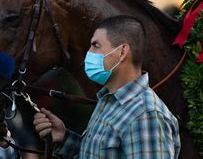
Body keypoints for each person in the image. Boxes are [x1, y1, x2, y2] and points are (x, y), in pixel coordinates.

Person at [33, 15, 180, 158]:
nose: (89, 53)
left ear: (122, 52)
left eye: (96, 46)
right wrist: (64, 138)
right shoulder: (109, 100)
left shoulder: (145, 116)